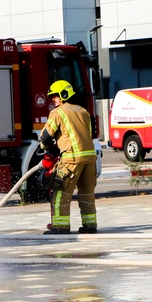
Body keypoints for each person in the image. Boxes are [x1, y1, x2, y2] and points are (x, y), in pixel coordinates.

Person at [39, 80, 98, 234]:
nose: (53, 99)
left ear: (63, 94)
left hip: (71, 158)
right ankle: (90, 225)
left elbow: (45, 137)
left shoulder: (57, 113)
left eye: (55, 96)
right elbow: (87, 135)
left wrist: (45, 148)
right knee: (86, 193)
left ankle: (60, 226)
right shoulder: (84, 112)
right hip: (90, 158)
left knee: (60, 193)